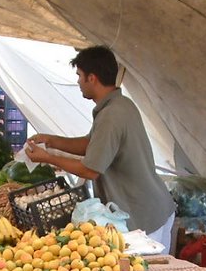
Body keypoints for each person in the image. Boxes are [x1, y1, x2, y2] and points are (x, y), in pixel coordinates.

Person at [24, 45, 175, 252]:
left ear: (92, 78)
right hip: (151, 207)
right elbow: (91, 145)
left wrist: (47, 157)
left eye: (79, 76)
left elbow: (90, 170)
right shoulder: (120, 105)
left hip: (144, 217)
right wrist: (51, 141)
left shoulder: (112, 116)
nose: (78, 82)